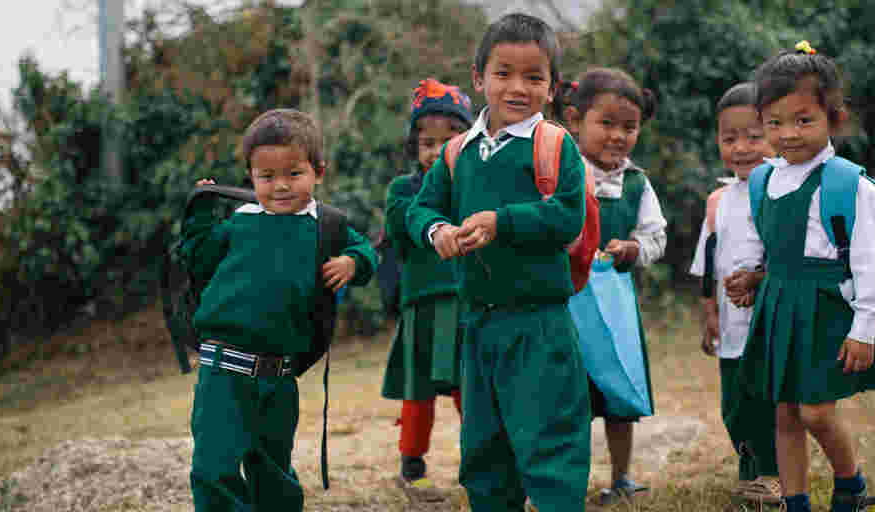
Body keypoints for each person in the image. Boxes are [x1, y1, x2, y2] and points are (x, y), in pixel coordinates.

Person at [405, 12, 592, 512]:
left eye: (534, 77)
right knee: (484, 451)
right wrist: (437, 230)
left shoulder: (554, 146)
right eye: (503, 73)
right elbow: (418, 209)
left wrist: (501, 222)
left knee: (549, 443)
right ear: (477, 78)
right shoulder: (455, 153)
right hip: (479, 325)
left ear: (551, 87)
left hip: (540, 324)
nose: (518, 88)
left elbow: (567, 216)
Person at [180, 108, 378, 512]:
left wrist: (352, 263)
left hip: (280, 377)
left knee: (272, 468)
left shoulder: (327, 226)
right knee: (214, 467)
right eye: (266, 177)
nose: (281, 186)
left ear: (318, 171)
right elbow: (198, 259)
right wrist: (200, 211)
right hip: (223, 372)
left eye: (294, 174)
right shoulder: (240, 222)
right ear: (251, 177)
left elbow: (366, 252)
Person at [728, 41, 875, 512]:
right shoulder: (764, 180)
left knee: (817, 411)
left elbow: (869, 265)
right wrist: (755, 279)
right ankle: (796, 502)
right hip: (780, 305)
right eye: (775, 122)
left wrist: (865, 328)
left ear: (834, 120)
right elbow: (779, 250)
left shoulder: (850, 186)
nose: (788, 134)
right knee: (784, 413)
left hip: (826, 310)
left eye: (804, 120)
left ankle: (851, 485)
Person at [551, 67, 666, 505]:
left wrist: (635, 249)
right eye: (607, 124)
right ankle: (565, 479)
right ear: (576, 120)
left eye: (629, 127)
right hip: (566, 300)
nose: (617, 136)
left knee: (618, 394)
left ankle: (621, 476)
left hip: (616, 302)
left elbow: (657, 236)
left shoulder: (637, 183)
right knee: (569, 394)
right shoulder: (561, 172)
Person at [687, 82, 783, 507]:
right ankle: (749, 473)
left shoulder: (784, 192)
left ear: (775, 134)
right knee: (734, 405)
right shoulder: (718, 201)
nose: (741, 147)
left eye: (754, 136)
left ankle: (773, 476)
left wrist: (759, 279)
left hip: (771, 322)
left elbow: (794, 260)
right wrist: (710, 313)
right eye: (729, 138)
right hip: (730, 325)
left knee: (768, 402)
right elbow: (709, 262)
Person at [380, 77, 474, 502]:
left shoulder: (476, 189)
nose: (437, 151)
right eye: (427, 142)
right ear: (414, 148)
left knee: (470, 390)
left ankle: (482, 464)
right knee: (418, 391)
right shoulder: (403, 190)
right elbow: (401, 234)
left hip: (468, 302)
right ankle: (411, 464)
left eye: (450, 139)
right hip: (421, 304)